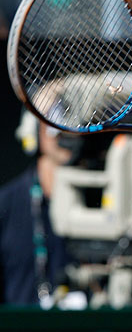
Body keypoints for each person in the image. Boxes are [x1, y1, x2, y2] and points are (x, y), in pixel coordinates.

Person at [0, 112, 73, 305]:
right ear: (34, 129)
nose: (65, 134)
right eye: (53, 124)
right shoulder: (6, 204)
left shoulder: (109, 197)